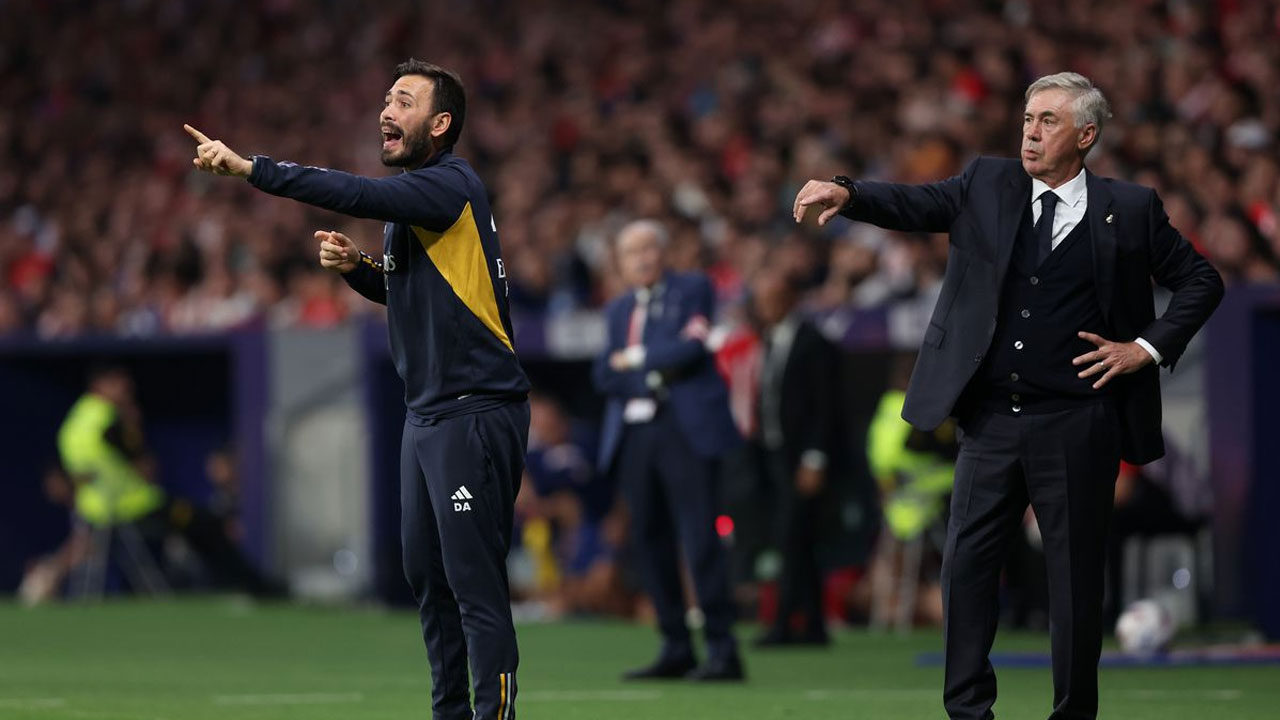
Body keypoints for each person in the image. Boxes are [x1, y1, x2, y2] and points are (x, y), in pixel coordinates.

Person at [794, 72, 1223, 720]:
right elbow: (915, 203)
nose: (1031, 131)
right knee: (965, 570)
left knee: (1074, 580)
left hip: (1078, 422)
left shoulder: (1130, 208)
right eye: (1027, 118)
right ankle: (969, 713)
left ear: (1086, 135)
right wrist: (849, 192)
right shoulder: (986, 183)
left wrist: (1145, 347)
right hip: (990, 420)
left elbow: (1201, 280)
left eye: (1048, 120)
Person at [186, 59, 530, 720]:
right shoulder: (418, 206)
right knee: (427, 578)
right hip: (427, 414)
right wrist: (359, 269)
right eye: (385, 99)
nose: (385, 111)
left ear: (440, 123)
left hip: (475, 409)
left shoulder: (449, 184)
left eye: (403, 100)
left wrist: (252, 169)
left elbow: (354, 193)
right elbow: (412, 292)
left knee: (472, 582)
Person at [594, 219, 745, 681]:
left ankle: (722, 650)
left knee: (700, 539)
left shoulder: (692, 288)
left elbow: (691, 351)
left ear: (664, 252)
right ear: (620, 264)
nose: (640, 258)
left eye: (647, 248)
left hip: (683, 429)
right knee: (649, 540)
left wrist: (636, 359)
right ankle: (676, 645)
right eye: (630, 252)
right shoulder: (618, 309)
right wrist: (650, 373)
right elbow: (604, 374)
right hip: (637, 433)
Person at [747, 266, 841, 647]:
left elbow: (826, 406)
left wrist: (815, 458)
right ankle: (813, 624)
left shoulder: (813, 342)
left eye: (770, 299)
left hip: (802, 458)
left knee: (792, 537)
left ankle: (784, 622)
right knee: (798, 540)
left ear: (789, 300)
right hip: (775, 454)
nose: (762, 307)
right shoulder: (770, 340)